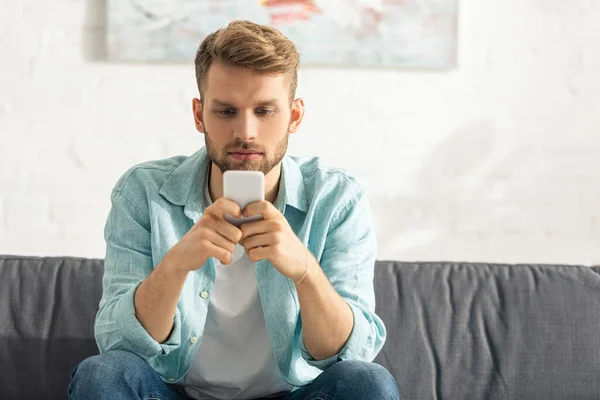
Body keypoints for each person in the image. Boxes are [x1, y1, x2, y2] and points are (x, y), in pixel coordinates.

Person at [68, 20, 399, 400]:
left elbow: (350, 353)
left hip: (291, 395)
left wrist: (305, 271)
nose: (247, 132)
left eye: (264, 111)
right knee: (104, 374)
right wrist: (176, 265)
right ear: (199, 115)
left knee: (367, 382)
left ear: (294, 116)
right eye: (226, 112)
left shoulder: (337, 197)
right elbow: (118, 342)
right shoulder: (143, 192)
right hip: (174, 393)